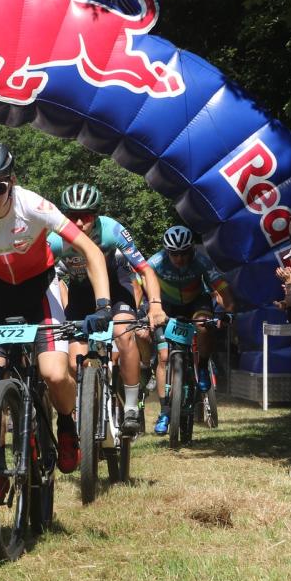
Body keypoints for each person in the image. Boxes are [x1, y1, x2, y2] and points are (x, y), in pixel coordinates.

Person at [0, 142, 113, 475]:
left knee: (54, 374)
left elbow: (90, 251)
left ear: (11, 181)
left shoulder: (34, 205)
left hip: (39, 291)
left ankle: (66, 425)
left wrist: (103, 305)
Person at [52, 183, 166, 434]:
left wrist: (156, 305)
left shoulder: (112, 229)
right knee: (74, 363)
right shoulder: (55, 237)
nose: (79, 222)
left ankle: (131, 406)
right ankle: (86, 406)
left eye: (86, 216)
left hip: (116, 290)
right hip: (81, 294)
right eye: (72, 216)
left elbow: (145, 270)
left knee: (124, 335)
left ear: (96, 215)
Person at [146, 226, 232, 436]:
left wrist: (228, 311)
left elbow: (221, 286)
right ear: (166, 251)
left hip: (196, 302)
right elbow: (139, 284)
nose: (179, 258)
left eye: (184, 253)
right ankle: (165, 411)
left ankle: (202, 365)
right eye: (174, 254)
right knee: (163, 356)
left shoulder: (201, 261)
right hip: (166, 305)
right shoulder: (156, 262)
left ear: (192, 249)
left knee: (203, 325)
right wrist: (142, 309)